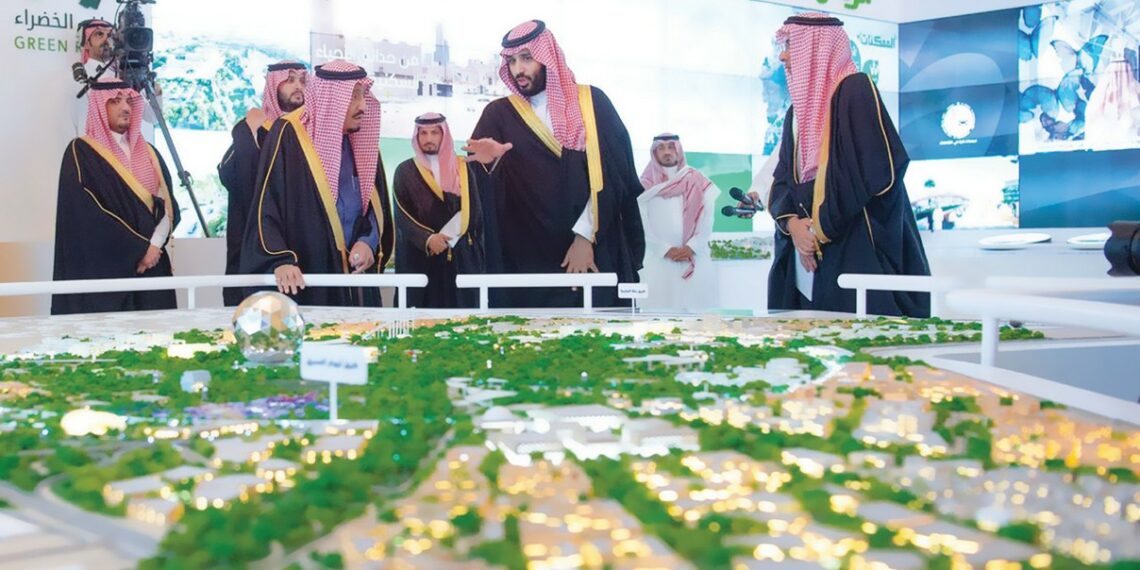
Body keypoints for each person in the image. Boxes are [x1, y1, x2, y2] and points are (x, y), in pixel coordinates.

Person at [758, 13, 930, 317]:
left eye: (790, 45)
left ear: (815, 48)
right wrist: (794, 226)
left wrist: (817, 230)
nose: (783, 56)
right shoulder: (795, 115)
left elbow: (869, 172)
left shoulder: (855, 90)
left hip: (857, 245)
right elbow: (782, 179)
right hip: (807, 257)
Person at [464, 19, 644, 308]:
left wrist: (585, 237)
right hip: (527, 260)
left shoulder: (592, 102)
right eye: (512, 61)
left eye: (526, 58)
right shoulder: (498, 114)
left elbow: (614, 176)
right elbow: (480, 196)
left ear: (547, 57)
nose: (518, 69)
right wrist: (487, 167)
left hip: (591, 249)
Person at [240, 60, 393, 306]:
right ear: (333, 99)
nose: (363, 106)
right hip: (309, 274)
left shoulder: (362, 142)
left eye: (363, 95)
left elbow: (375, 206)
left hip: (357, 279)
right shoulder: (288, 134)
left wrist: (368, 242)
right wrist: (280, 259)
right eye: (354, 96)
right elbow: (267, 204)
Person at [52, 79, 179, 315]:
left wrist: (153, 247)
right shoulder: (82, 152)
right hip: (105, 270)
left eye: (129, 101)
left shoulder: (150, 152)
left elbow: (167, 207)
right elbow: (86, 215)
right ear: (100, 106)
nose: (126, 108)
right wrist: (138, 250)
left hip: (153, 266)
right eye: (115, 101)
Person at [217, 61, 307, 305]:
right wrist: (246, 130)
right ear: (273, 85)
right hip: (254, 247)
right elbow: (234, 178)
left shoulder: (308, 135)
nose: (298, 86)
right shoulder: (257, 131)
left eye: (302, 81)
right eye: (290, 80)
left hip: (299, 249)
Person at [393, 113, 485, 308]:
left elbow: (474, 208)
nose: (429, 139)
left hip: (459, 257)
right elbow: (402, 214)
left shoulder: (463, 167)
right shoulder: (405, 170)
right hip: (421, 258)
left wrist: (448, 235)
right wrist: (428, 239)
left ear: (444, 135)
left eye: (435, 133)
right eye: (423, 133)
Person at [637, 133, 720, 311]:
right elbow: (640, 223)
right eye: (661, 148)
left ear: (679, 150)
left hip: (695, 258)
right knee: (659, 316)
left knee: (698, 316)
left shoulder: (697, 180)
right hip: (659, 262)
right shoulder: (644, 185)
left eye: (671, 147)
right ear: (654, 152)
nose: (667, 152)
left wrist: (692, 246)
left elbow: (707, 218)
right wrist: (664, 249)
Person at [73, 19, 160, 137]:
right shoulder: (80, 76)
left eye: (110, 35)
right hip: (94, 143)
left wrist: (157, 93)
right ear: (87, 44)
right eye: (99, 34)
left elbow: (152, 117)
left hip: (126, 145)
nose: (106, 40)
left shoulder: (126, 73)